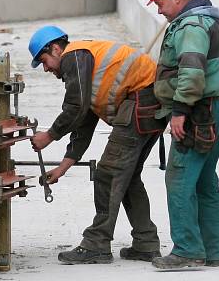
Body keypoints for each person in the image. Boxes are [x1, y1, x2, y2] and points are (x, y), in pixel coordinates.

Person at [28, 26, 166, 265]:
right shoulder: (86, 63)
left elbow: (76, 107)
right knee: (129, 176)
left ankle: (97, 244)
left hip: (140, 103)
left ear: (56, 48)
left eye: (44, 60)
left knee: (108, 174)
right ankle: (146, 243)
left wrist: (49, 135)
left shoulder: (74, 57)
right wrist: (62, 168)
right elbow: (84, 120)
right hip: (149, 105)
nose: (47, 68)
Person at [144, 0, 219, 270]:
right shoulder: (204, 20)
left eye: (160, 2)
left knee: (179, 180)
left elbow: (192, 73)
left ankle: (188, 250)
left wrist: (179, 111)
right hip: (212, 111)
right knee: (205, 182)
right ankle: (210, 250)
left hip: (197, 114)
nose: (160, 10)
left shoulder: (191, 26)